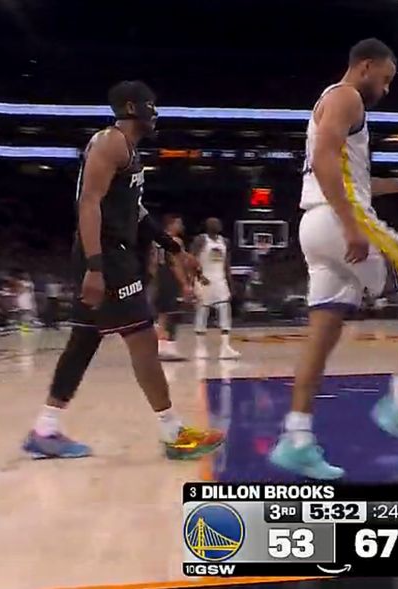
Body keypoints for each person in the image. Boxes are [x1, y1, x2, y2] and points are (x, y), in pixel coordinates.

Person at [269, 39, 398, 480]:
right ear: (365, 66)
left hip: (316, 225)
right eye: (385, 79)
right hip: (339, 221)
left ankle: (297, 440)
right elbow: (324, 161)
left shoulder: (331, 102)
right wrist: (351, 226)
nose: (386, 89)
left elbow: (354, 178)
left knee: (321, 338)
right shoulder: (347, 96)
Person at [22, 80, 224, 459]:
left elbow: (137, 213)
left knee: (83, 341)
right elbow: (88, 204)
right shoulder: (110, 142)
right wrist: (95, 267)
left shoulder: (128, 150)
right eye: (151, 105)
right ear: (132, 107)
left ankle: (45, 428)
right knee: (143, 339)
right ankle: (173, 433)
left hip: (110, 255)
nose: (156, 112)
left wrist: (174, 248)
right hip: (108, 259)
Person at [192, 217, 240, 360]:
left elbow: (226, 264)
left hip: (220, 280)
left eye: (218, 223)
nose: (217, 225)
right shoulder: (201, 240)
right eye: (213, 223)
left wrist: (230, 283)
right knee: (202, 312)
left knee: (225, 310)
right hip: (204, 279)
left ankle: (225, 347)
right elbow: (191, 259)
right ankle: (200, 348)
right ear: (207, 226)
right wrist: (198, 276)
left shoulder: (224, 241)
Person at [155, 214, 190, 361]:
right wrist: (185, 284)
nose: (181, 226)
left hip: (159, 276)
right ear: (171, 224)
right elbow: (176, 264)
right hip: (171, 278)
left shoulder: (156, 241)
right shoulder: (175, 241)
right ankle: (168, 348)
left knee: (162, 314)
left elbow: (152, 262)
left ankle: (160, 347)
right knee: (172, 313)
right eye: (178, 223)